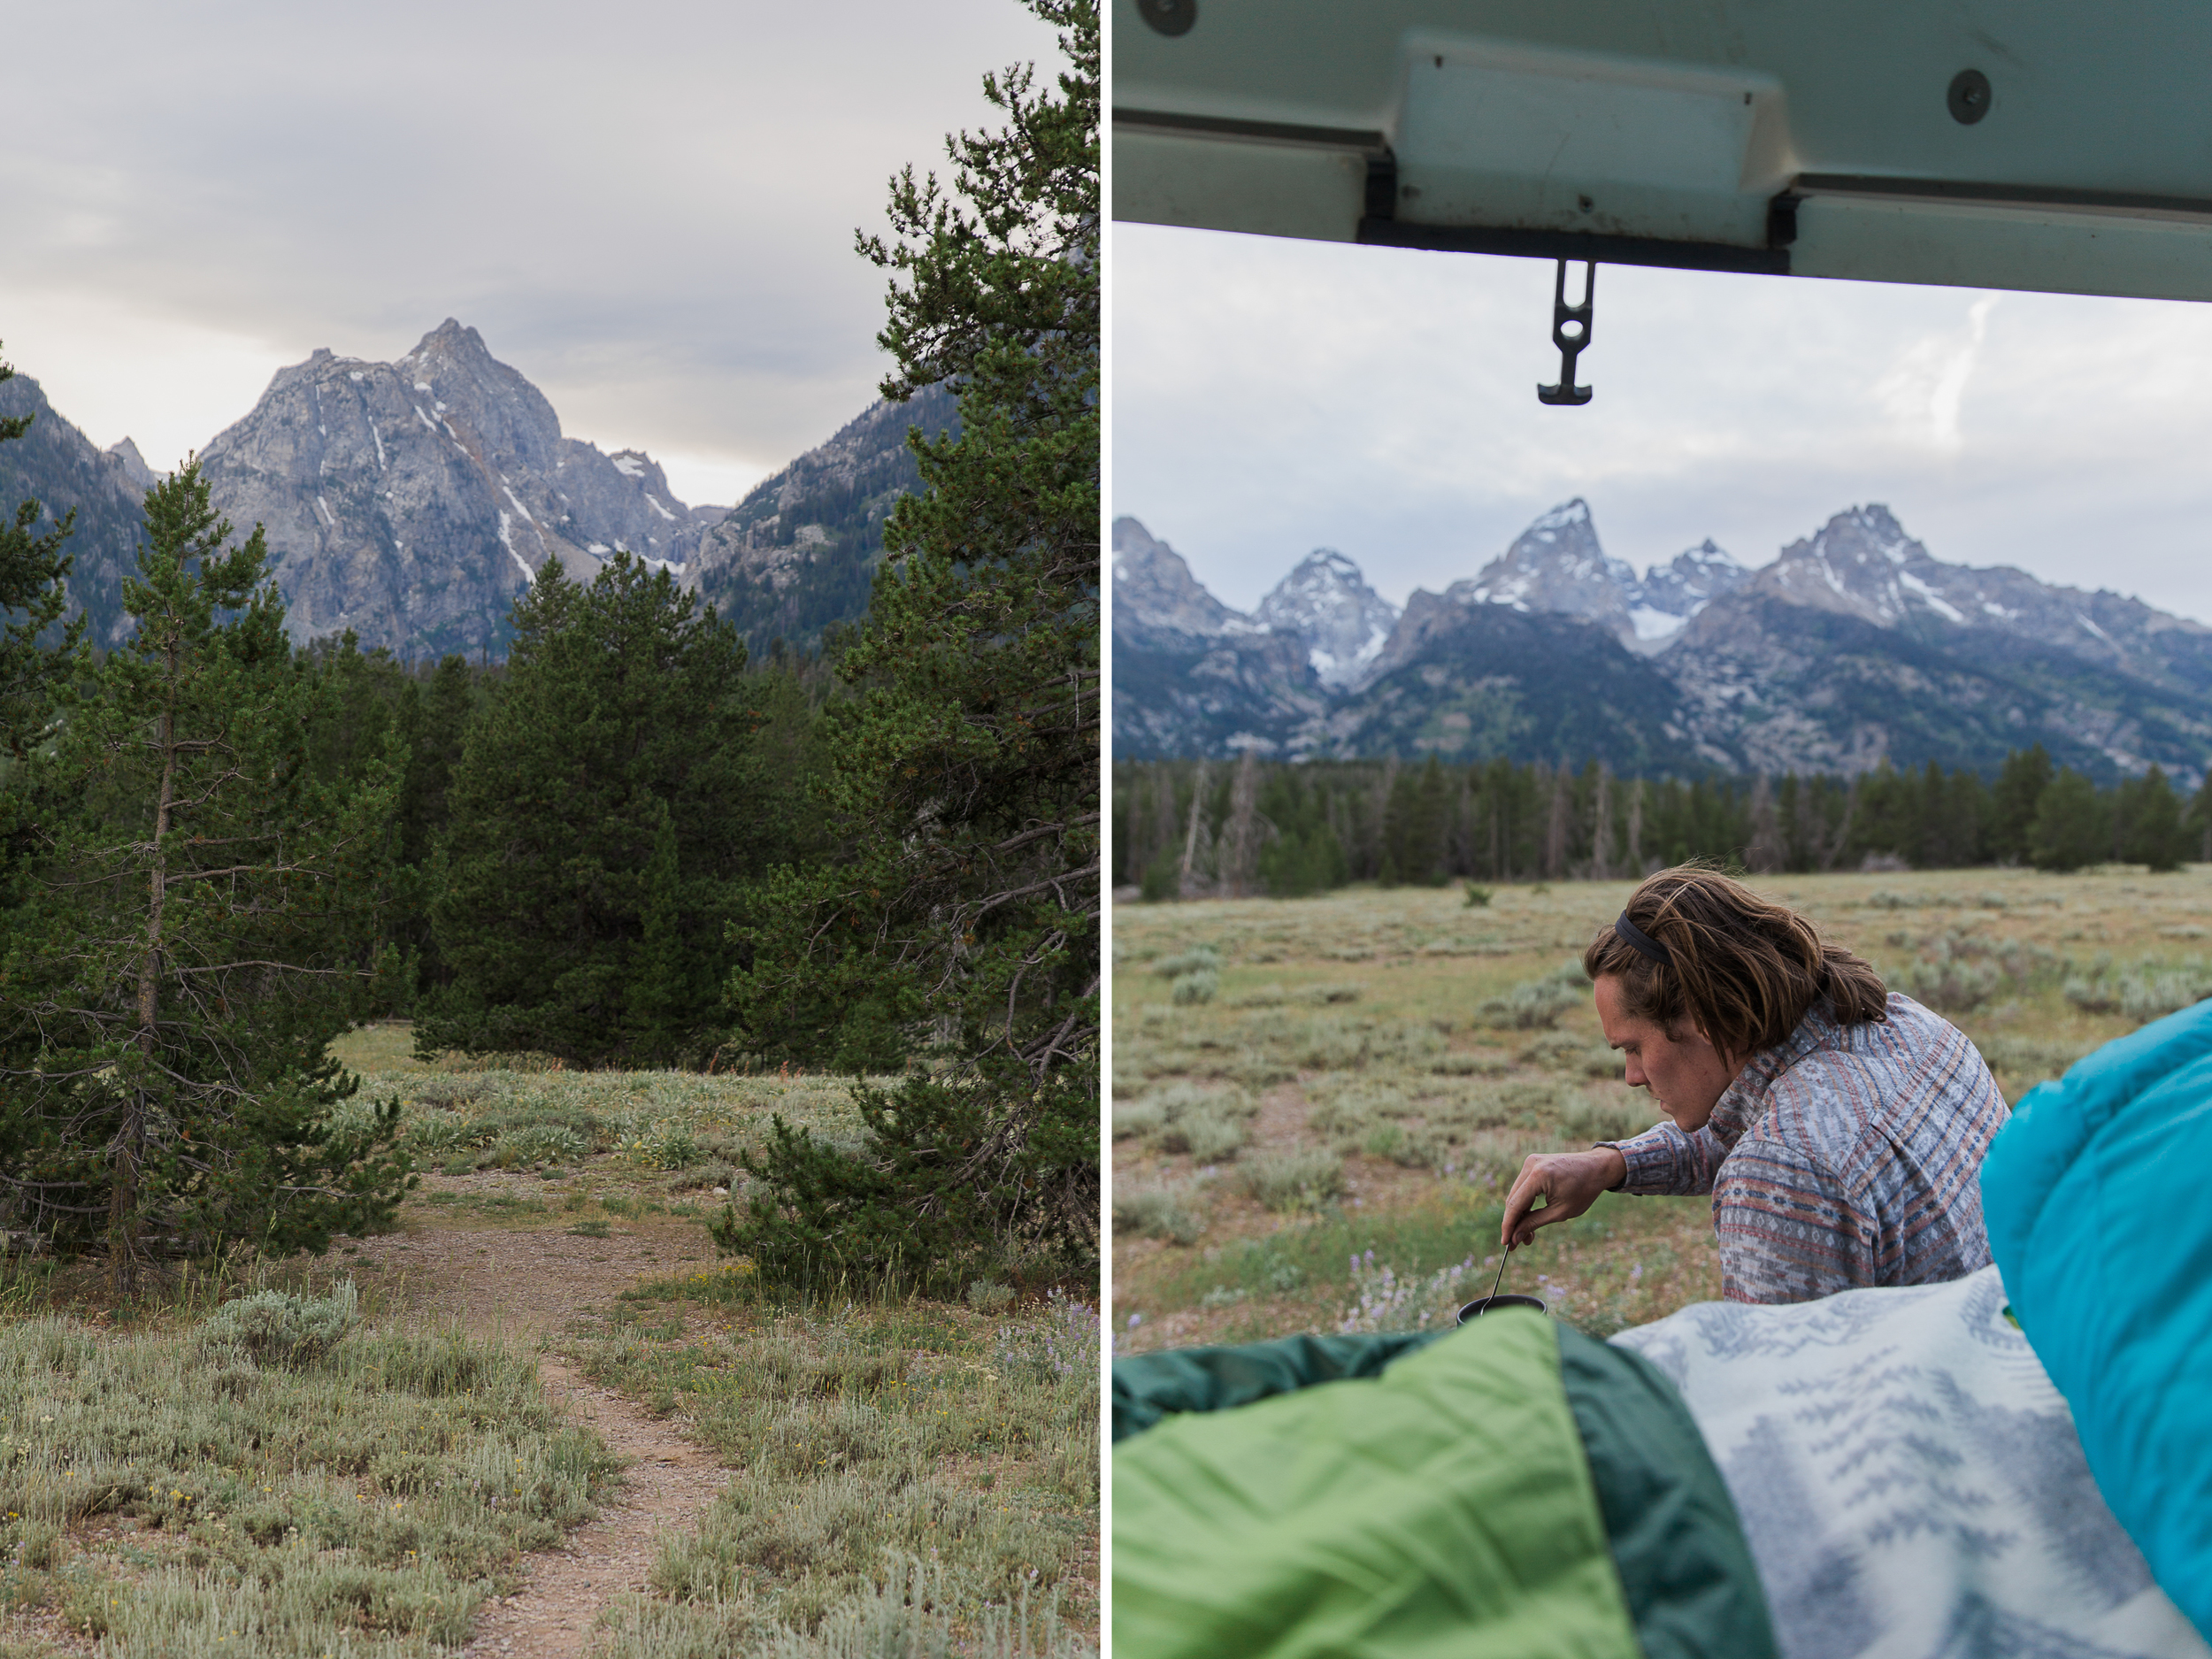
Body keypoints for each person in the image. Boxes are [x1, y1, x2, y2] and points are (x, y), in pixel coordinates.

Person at [1500, 865, 2009, 1303]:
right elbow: (1755, 1127)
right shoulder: (1907, 1025)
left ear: (1701, 1016)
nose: (1632, 1076)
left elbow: (1781, 1401)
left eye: (1634, 1047)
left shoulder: (1778, 1172)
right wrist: (1613, 1164)